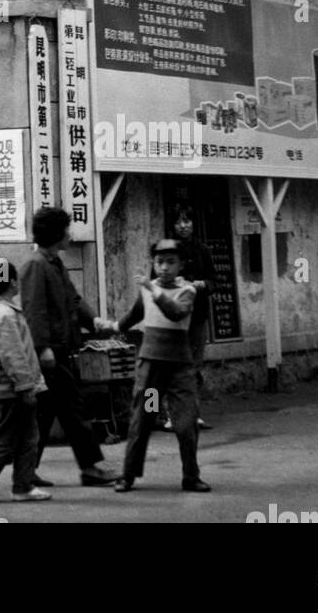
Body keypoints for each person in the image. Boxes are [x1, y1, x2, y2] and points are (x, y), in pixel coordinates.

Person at [19, 206, 117, 488]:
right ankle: (89, 468)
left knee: (43, 413)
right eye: (66, 229)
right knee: (73, 410)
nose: (70, 235)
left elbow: (73, 300)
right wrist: (42, 348)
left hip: (60, 350)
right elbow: (33, 311)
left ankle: (26, 471)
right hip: (50, 354)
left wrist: (95, 320)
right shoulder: (35, 266)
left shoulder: (54, 263)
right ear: (55, 233)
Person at [110, 238, 210, 493]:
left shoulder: (188, 291)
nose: (164, 267)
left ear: (181, 265)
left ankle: (191, 476)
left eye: (170, 262)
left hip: (179, 370)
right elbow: (136, 314)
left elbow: (175, 312)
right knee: (142, 419)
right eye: (159, 262)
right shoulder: (148, 289)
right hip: (152, 370)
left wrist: (152, 291)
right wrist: (113, 326)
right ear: (154, 264)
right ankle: (128, 476)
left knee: (185, 423)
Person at [0, 258, 50, 503]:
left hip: (18, 387)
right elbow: (13, 355)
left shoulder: (5, 311)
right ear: (13, 282)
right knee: (6, 440)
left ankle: (23, 486)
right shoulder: (4, 315)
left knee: (28, 438)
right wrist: (26, 386)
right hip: (12, 389)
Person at [169, 205, 215, 429]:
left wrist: (202, 284)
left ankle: (193, 413)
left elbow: (214, 282)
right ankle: (168, 414)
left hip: (197, 316)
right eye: (178, 221)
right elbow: (154, 283)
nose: (183, 225)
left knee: (194, 366)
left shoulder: (203, 250)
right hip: (174, 318)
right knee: (172, 366)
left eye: (187, 221)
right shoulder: (166, 251)